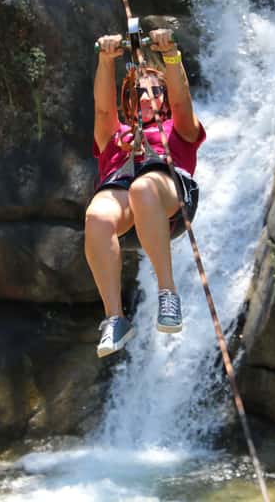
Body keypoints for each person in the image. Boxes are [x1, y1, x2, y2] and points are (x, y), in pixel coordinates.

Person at [85, 28, 206, 358]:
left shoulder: (176, 130)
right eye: (139, 91)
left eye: (154, 91)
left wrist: (170, 55)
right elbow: (102, 111)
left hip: (168, 194)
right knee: (96, 215)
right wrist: (106, 59)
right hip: (124, 195)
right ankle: (115, 318)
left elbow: (182, 100)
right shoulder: (117, 136)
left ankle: (168, 293)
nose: (146, 97)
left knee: (143, 187)